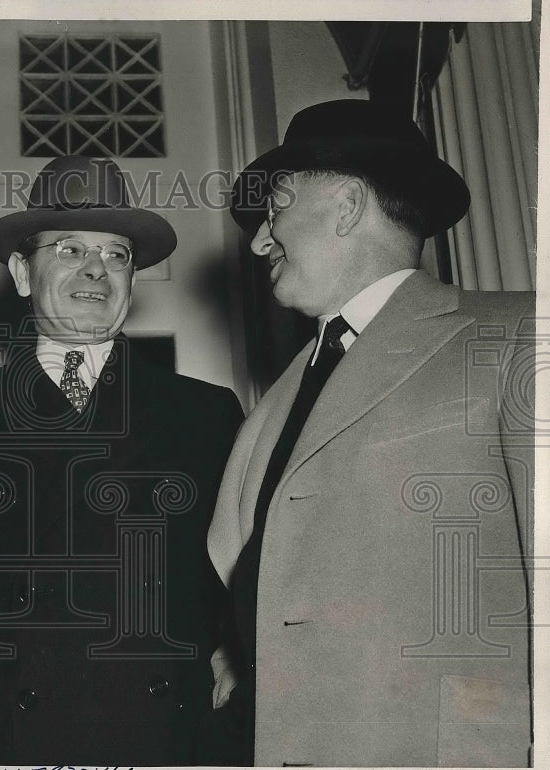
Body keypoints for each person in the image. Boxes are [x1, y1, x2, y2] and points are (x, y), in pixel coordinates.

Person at [207, 99, 534, 767]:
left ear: (348, 205)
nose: (260, 241)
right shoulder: (280, 398)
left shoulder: (518, 336)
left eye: (274, 211)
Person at [0, 155, 245, 765]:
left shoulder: (206, 414)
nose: (97, 269)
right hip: (4, 742)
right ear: (22, 272)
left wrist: (239, 651)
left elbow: (247, 569)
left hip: (163, 740)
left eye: (118, 255)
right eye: (69, 249)